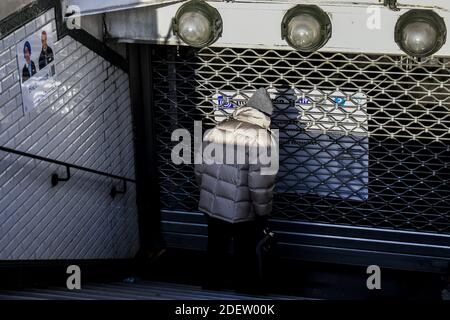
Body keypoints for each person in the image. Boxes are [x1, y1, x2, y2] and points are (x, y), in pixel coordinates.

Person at [195, 88, 278, 293]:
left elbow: (199, 169)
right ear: (266, 114)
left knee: (215, 248)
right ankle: (246, 290)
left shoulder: (216, 129)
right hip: (242, 210)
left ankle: (211, 285)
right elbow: (260, 183)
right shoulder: (262, 138)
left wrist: (209, 195)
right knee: (245, 251)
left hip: (212, 206)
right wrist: (262, 214)